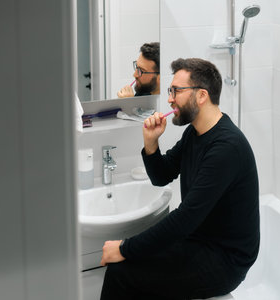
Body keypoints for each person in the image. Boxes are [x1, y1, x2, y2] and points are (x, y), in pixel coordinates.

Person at [100, 58, 260, 299]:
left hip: (225, 261)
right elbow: (161, 176)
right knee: (128, 268)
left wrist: (124, 248)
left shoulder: (226, 147)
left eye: (176, 91)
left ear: (201, 95)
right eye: (170, 90)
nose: (169, 98)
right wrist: (151, 144)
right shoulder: (194, 133)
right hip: (198, 241)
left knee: (121, 272)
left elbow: (185, 218)